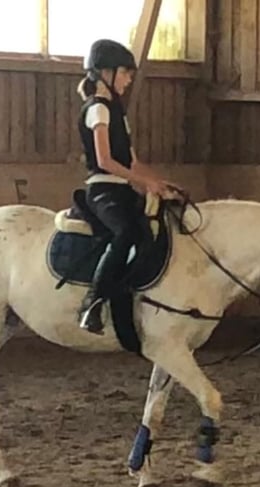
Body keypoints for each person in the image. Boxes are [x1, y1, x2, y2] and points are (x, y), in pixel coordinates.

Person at [75, 38, 174, 335]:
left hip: (123, 188)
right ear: (105, 72)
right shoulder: (98, 110)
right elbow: (105, 160)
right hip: (103, 190)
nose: (129, 79)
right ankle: (92, 301)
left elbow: (132, 163)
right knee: (127, 231)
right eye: (126, 73)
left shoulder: (119, 114)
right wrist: (145, 183)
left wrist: (160, 182)